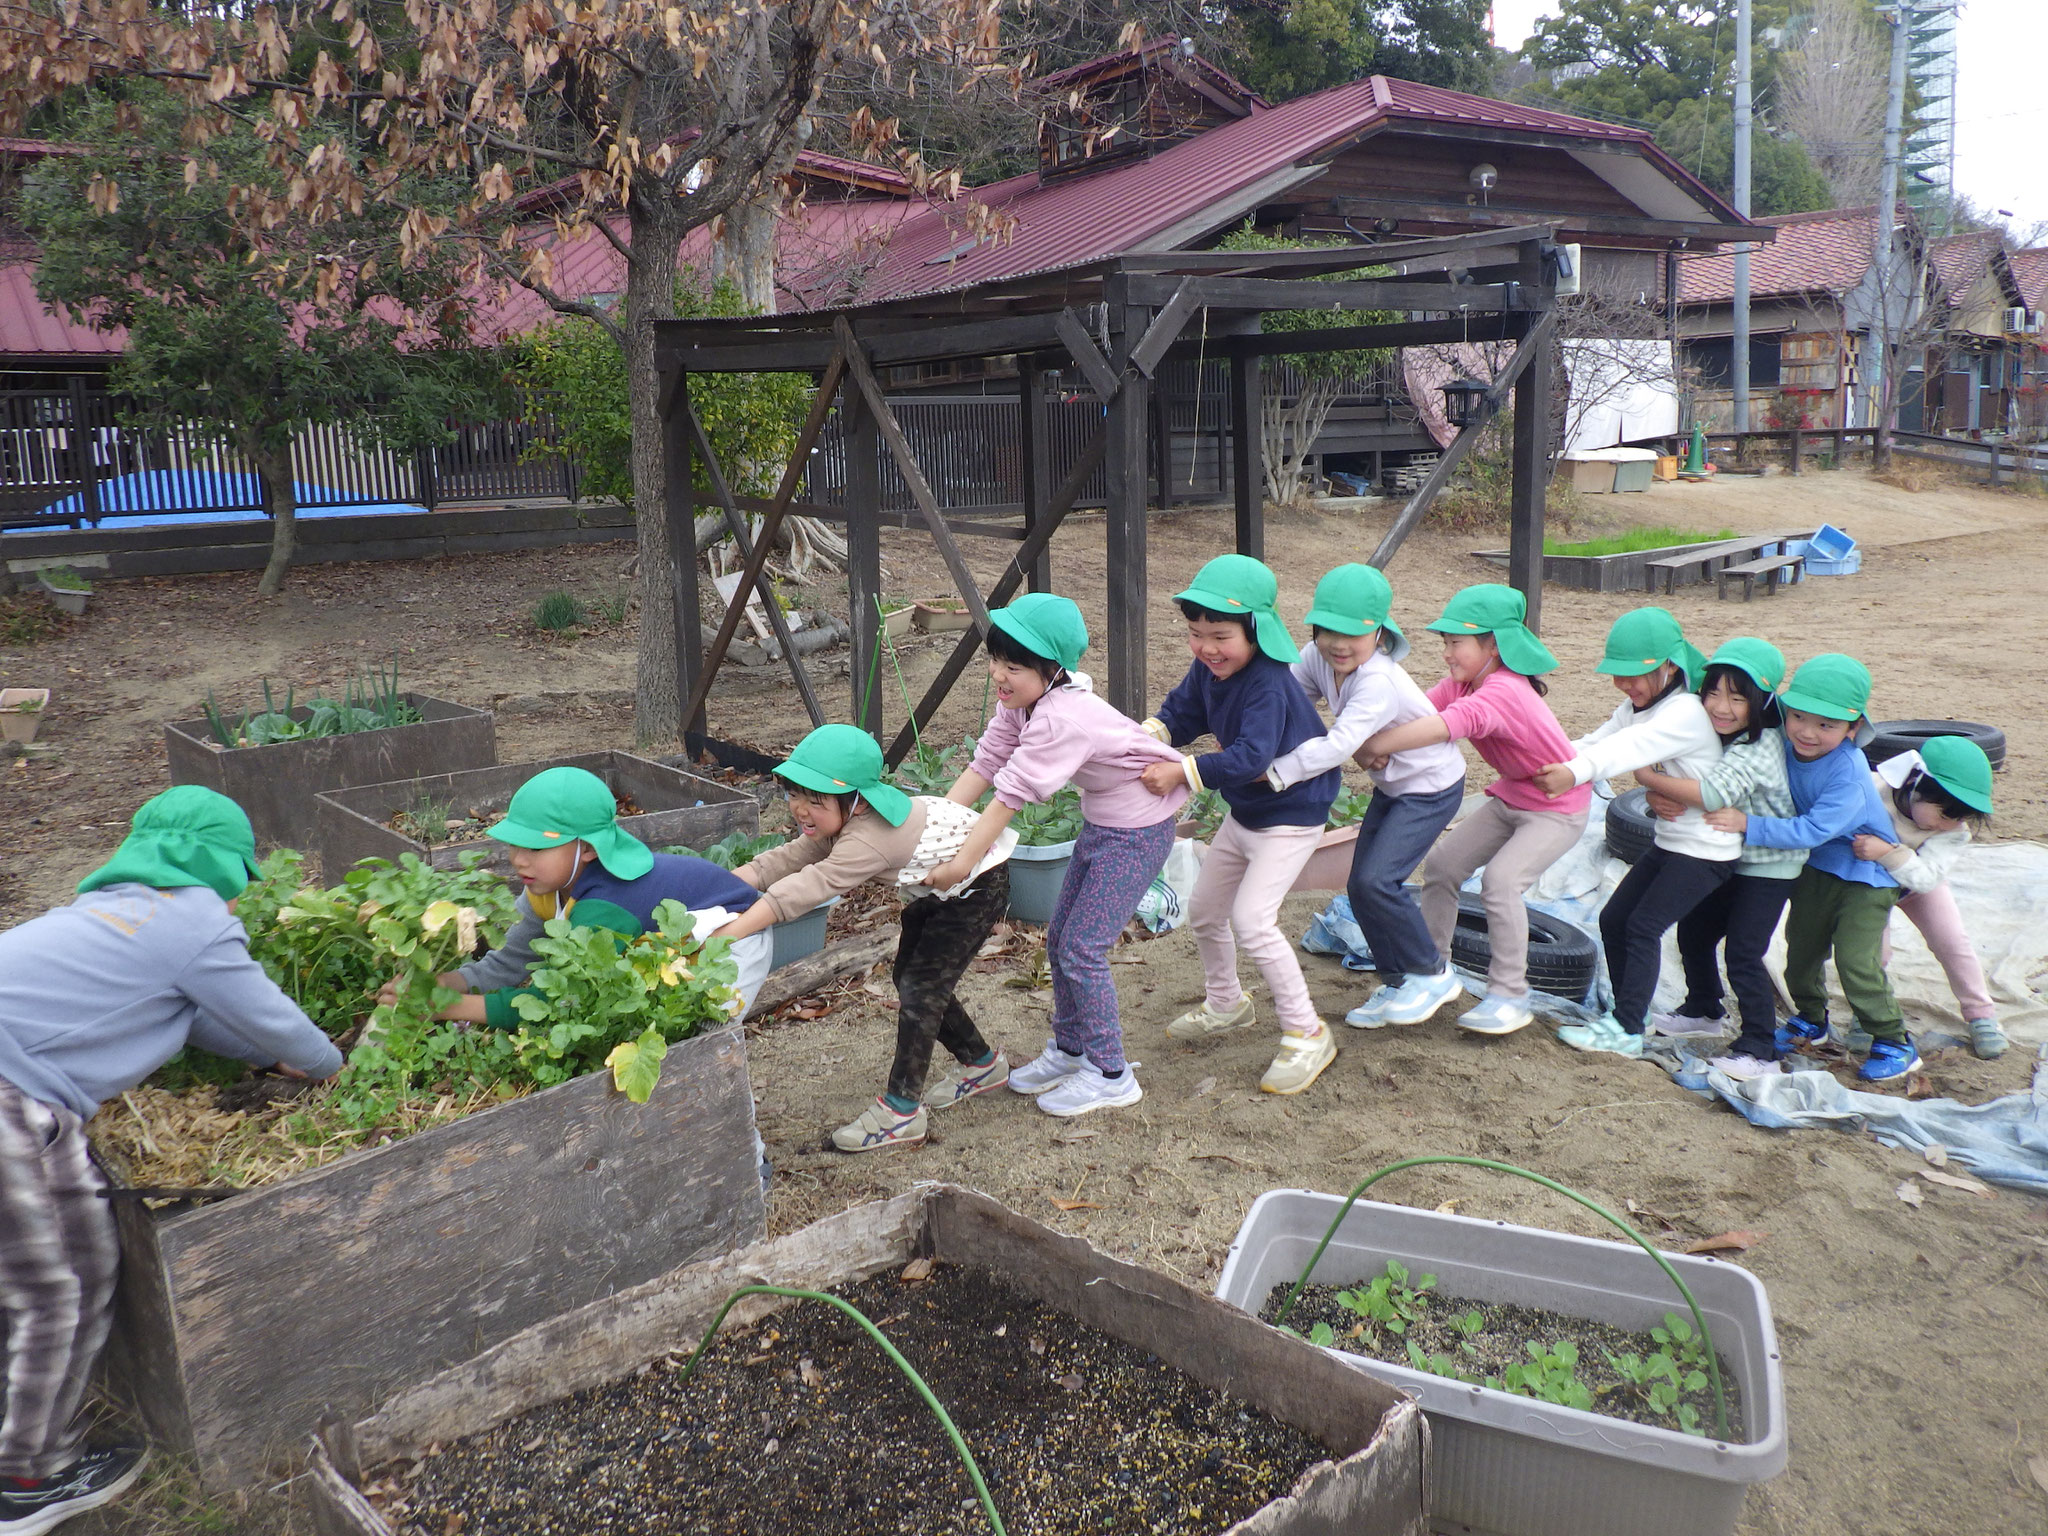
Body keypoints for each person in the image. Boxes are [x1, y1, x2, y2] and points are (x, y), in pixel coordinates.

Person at [0, 787, 345, 1534]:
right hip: (9, 1100)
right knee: (65, 1280)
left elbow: (193, 1020)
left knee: (24, 1268)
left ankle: (20, 1413)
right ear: (218, 869)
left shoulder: (123, 914)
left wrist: (268, 1061)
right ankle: (29, 1476)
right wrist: (326, 1065)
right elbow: (273, 1018)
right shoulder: (192, 920)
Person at [931, 593, 1189, 1117]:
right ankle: (1072, 1050)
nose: (999, 676)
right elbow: (987, 763)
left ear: (1052, 671)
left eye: (1015, 667)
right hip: (1106, 823)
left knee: (1083, 948)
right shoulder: (1023, 703)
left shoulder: (1062, 718)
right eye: (995, 661)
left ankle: (1111, 1072)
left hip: (1137, 834)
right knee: (1062, 939)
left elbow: (1010, 794)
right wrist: (936, 828)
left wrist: (961, 864)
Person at [722, 724, 1017, 1153]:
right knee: (912, 980)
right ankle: (983, 1065)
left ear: (857, 802)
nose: (801, 809)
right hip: (937, 889)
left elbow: (808, 888)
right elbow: (780, 863)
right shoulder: (841, 823)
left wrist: (727, 934)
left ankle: (901, 1111)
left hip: (976, 889)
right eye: (794, 795)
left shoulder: (870, 841)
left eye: (815, 800)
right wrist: (718, 889)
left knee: (922, 988)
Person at [1137, 555, 1342, 1094]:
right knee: (1205, 911)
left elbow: (1251, 756)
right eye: (1196, 634)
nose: (1206, 647)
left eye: (1220, 635)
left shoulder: (1270, 683)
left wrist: (1182, 770)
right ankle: (1227, 1003)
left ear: (1256, 631)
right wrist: (1155, 730)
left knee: (1253, 920)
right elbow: (1186, 710)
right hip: (1248, 812)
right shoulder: (1211, 670)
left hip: (1290, 818)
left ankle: (1307, 1032)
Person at [1357, 584, 1587, 1037]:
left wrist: (1376, 745)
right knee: (1443, 866)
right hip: (1512, 796)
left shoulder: (1505, 691)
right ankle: (1428, 973)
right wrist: (1372, 731)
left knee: (1501, 882)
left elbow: (1447, 726)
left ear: (1493, 646)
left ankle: (1510, 994)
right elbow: (1418, 711)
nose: (1446, 652)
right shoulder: (1465, 681)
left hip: (1558, 808)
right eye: (1445, 642)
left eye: (1456, 643)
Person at [1262, 564, 1467, 1029]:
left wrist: (1278, 771)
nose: (1338, 643)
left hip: (1430, 788)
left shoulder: (1378, 681)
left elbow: (1338, 743)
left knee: (1379, 881)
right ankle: (1399, 981)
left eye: (1353, 634)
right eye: (1327, 630)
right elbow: (1288, 693)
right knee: (1360, 886)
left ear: (1378, 632)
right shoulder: (1320, 658)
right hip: (1395, 787)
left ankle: (1432, 973)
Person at [1531, 608, 1740, 1058]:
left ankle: (1626, 1031)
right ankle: (1632, 1013)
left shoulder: (1683, 711)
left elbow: (1627, 750)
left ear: (1669, 665)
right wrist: (1543, 757)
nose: (1626, 685)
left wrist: (1574, 774)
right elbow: (1597, 740)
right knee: (1613, 919)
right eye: (1618, 675)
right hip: (1671, 841)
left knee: (1643, 927)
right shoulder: (1638, 707)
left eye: (1637, 674)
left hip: (1707, 850)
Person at [1700, 654, 1916, 1083]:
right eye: (1798, 716)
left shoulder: (1848, 773)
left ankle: (1893, 1038)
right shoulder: (1782, 739)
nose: (1806, 732)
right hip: (1815, 869)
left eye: (1826, 725)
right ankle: (1811, 1021)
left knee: (1856, 961)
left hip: (1865, 875)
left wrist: (1749, 825)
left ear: (1853, 728)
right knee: (1800, 950)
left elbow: (1814, 828)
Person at [427, 767, 777, 1028]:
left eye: (537, 847)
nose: (518, 859)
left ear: (589, 848)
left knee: (702, 1033)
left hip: (733, 938)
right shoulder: (547, 888)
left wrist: (454, 1007)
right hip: (675, 941)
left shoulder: (604, 908)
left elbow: (559, 1000)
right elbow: (506, 964)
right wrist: (446, 984)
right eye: (514, 843)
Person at [1628, 640, 1804, 1079]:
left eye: (1738, 697)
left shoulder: (1756, 746)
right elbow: (1684, 777)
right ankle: (1705, 1007)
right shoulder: (1718, 733)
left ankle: (1759, 1046)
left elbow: (1710, 794)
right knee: (1695, 931)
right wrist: (1654, 791)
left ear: (1761, 701)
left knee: (1745, 951)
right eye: (1713, 693)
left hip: (1770, 864)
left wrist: (1646, 774)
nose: (1721, 707)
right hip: (1731, 854)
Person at [1859, 737, 2002, 1060]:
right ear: (1915, 785)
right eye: (1943, 813)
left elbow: (1925, 878)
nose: (1947, 824)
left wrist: (1889, 853)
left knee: (1952, 941)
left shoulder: (1952, 831)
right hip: (1868, 885)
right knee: (1871, 952)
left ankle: (1981, 1015)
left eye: (1959, 817)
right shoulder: (1871, 789)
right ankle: (1867, 1014)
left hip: (1916, 884)